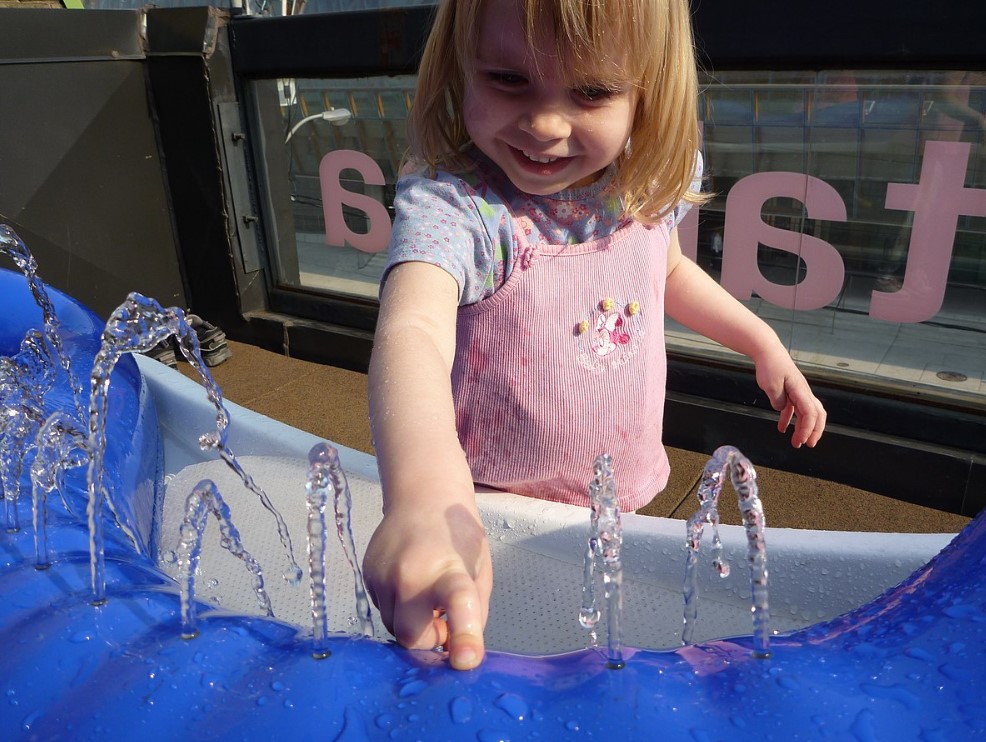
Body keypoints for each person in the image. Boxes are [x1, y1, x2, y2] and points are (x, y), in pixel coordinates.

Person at [362, 0, 827, 671]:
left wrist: (761, 341)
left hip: (620, 491)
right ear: (458, 68)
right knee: (509, 669)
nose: (546, 123)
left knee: (611, 659)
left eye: (592, 92)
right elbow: (412, 329)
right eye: (507, 79)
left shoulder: (642, 181)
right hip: (490, 516)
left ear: (648, 89)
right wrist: (428, 499)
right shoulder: (460, 206)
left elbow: (663, 269)